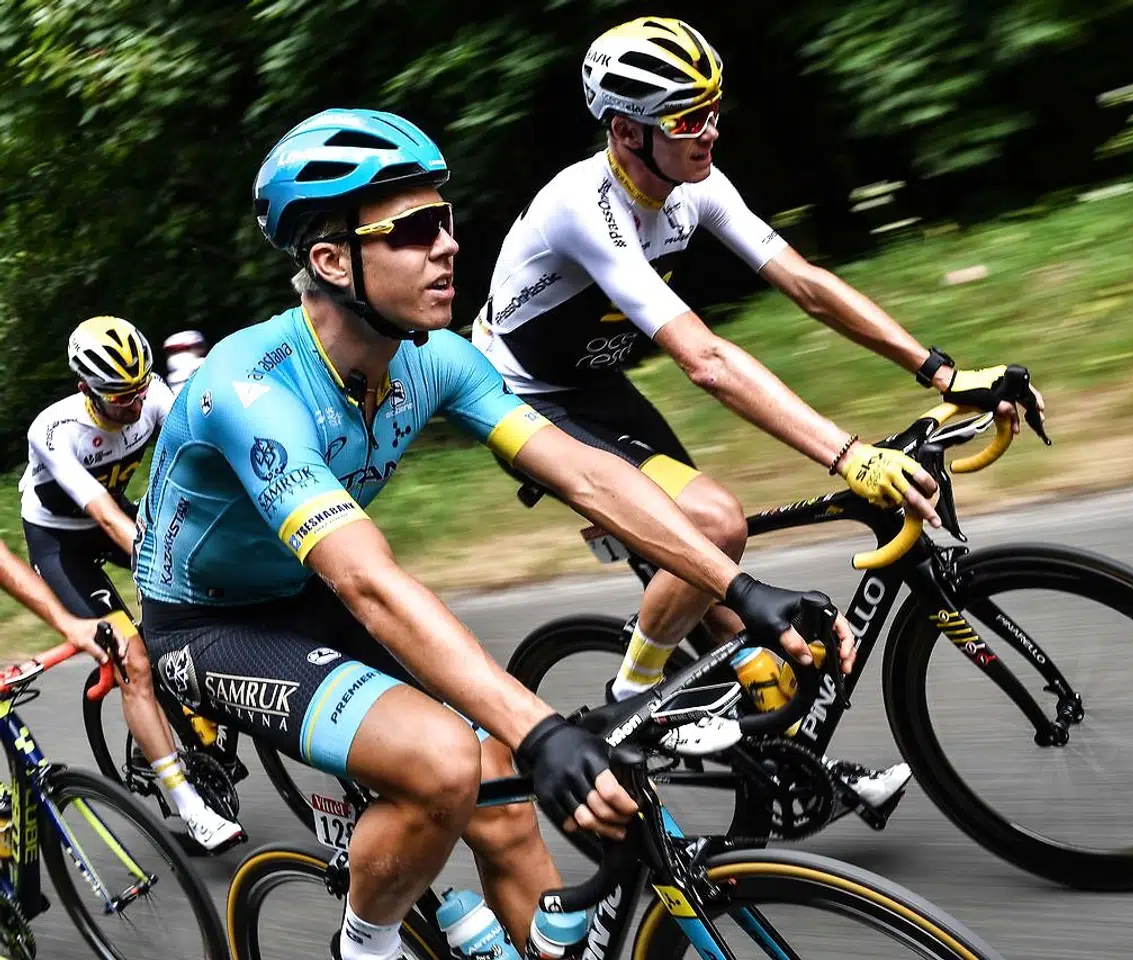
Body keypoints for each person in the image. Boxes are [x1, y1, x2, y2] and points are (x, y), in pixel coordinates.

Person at [133, 107, 854, 960]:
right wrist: (539, 729)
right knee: (447, 761)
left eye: (447, 221)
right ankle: (364, 946)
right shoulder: (248, 389)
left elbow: (586, 474)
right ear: (330, 261)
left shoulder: (437, 359)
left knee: (507, 811)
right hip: (213, 625)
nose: (448, 246)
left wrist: (741, 591)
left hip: (315, 595)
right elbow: (369, 581)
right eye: (415, 230)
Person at [474, 15, 1044, 814]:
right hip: (524, 398)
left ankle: (781, 773)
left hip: (597, 388)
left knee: (747, 633)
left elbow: (804, 284)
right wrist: (848, 454)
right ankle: (631, 709)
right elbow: (704, 360)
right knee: (715, 525)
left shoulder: (695, 185)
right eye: (685, 117)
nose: (708, 130)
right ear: (624, 131)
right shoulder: (584, 205)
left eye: (713, 107)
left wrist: (943, 370)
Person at [18, 316, 244, 851]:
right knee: (130, 657)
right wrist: (153, 550)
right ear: (86, 389)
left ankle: (186, 698)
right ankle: (188, 805)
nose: (136, 404)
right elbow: (103, 514)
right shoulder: (56, 431)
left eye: (142, 388)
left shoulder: (152, 397)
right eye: (121, 397)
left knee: (215, 580)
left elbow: (200, 450)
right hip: (61, 543)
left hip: (116, 514)